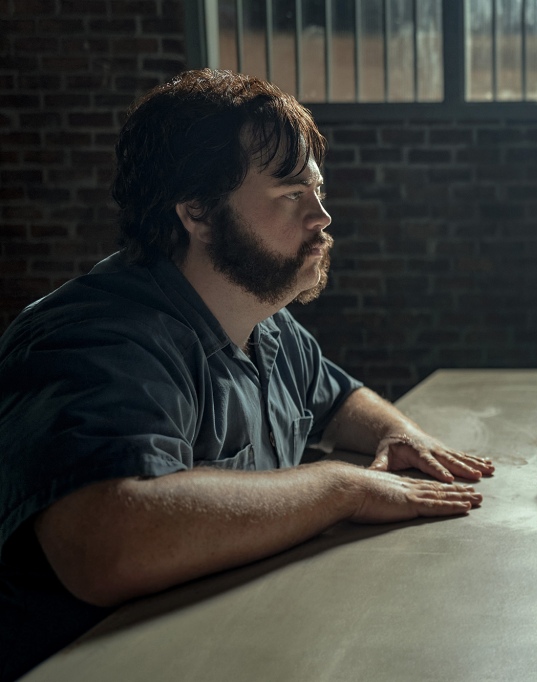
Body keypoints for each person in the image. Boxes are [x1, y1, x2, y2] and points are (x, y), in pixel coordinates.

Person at [0, 69, 494, 681]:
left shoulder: (263, 321)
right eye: (291, 194)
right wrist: (341, 487)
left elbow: (339, 397)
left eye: (317, 190)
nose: (322, 216)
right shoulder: (96, 335)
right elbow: (107, 545)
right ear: (197, 212)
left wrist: (399, 435)